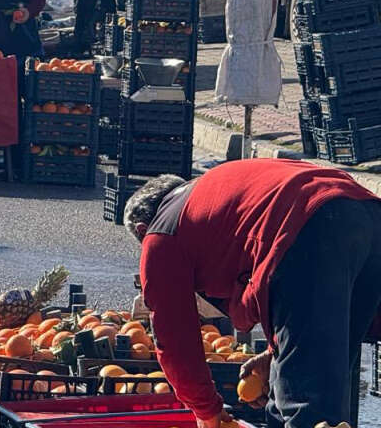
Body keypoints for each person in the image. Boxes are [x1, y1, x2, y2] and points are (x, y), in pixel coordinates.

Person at [122, 159, 381, 428]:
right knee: (323, 379)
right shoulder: (212, 195)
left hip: (309, 225)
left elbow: (174, 336)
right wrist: (274, 351)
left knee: (307, 406)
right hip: (367, 216)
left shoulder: (161, 233)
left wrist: (205, 408)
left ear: (142, 230)